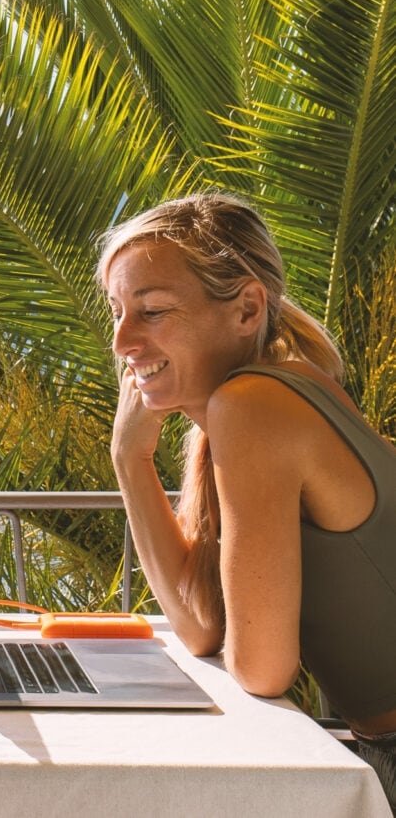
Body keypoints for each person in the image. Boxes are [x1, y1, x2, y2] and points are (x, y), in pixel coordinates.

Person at [97, 191, 396, 812]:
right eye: (117, 311)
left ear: (246, 308)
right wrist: (130, 459)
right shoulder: (249, 407)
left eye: (152, 311)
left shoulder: (254, 408)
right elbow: (204, 624)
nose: (124, 339)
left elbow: (261, 668)